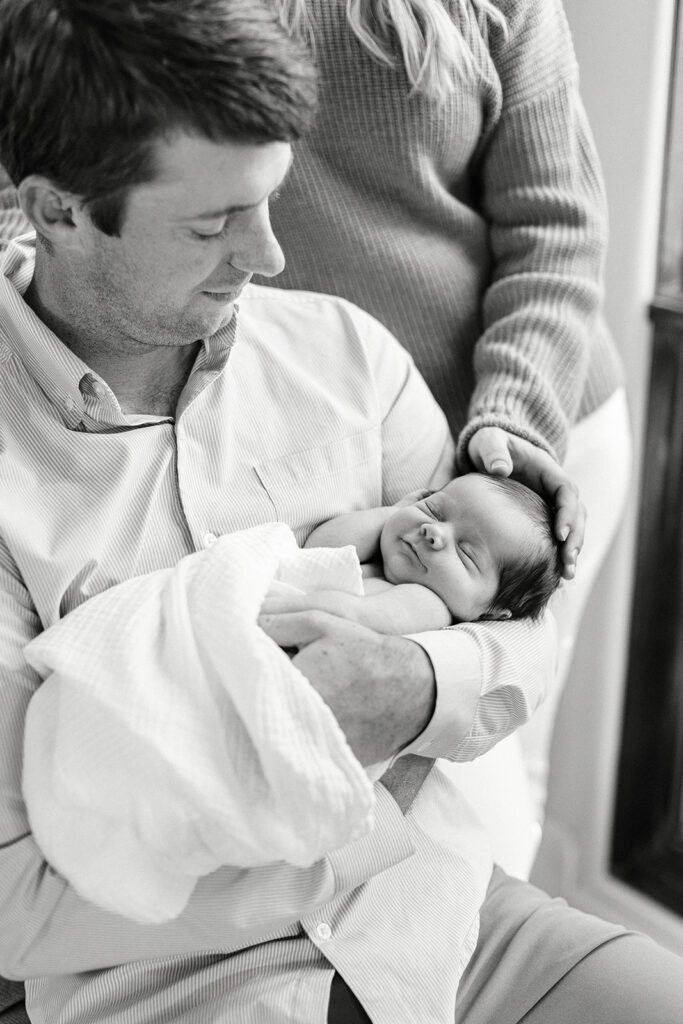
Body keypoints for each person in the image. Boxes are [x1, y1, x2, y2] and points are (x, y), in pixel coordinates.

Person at [0, 3, 681, 1024]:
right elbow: (19, 904)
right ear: (55, 211)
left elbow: (520, 643)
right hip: (177, 984)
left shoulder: (344, 354)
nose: (272, 254)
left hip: (447, 925)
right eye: (212, 222)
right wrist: (346, 831)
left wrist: (412, 683)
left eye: (272, 199)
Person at [263, 0, 633, 814]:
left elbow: (557, 228)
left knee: (499, 761)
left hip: (521, 453)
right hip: (347, 445)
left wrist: (512, 423)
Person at [263, 474, 563, 633]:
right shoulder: (379, 558)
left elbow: (356, 617)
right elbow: (320, 548)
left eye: (466, 553)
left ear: (491, 612)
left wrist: (269, 607)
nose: (435, 532)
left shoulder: (429, 605)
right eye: (434, 509)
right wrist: (395, 514)